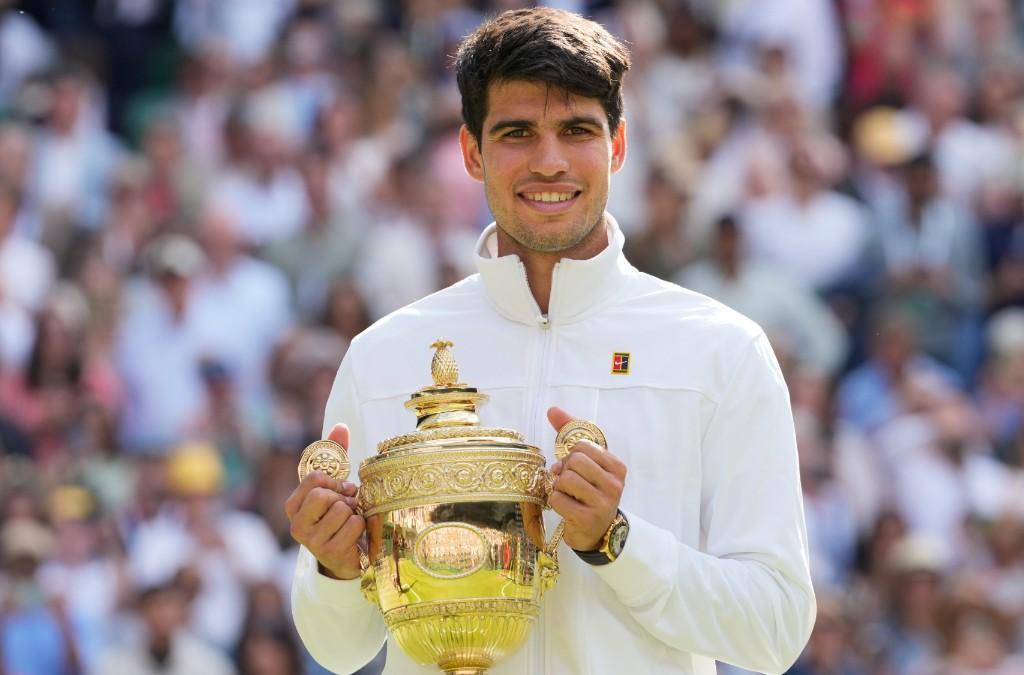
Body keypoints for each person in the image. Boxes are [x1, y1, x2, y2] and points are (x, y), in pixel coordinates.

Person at [286, 8, 816, 675]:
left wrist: (616, 542)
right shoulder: (383, 356)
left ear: (617, 146)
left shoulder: (721, 349)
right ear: (472, 152)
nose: (549, 161)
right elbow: (338, 647)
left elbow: (775, 628)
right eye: (517, 133)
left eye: (576, 130)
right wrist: (336, 568)